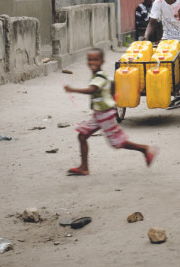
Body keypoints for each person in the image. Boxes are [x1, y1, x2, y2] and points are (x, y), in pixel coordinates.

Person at [63, 48, 158, 176]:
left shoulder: (99, 77)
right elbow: (112, 84)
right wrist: (112, 99)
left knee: (118, 142)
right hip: (99, 114)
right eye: (90, 59)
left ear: (102, 61)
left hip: (105, 116)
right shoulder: (101, 75)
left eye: (95, 60)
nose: (92, 62)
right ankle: (84, 167)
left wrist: (72, 89)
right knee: (82, 135)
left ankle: (144, 149)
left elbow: (92, 89)